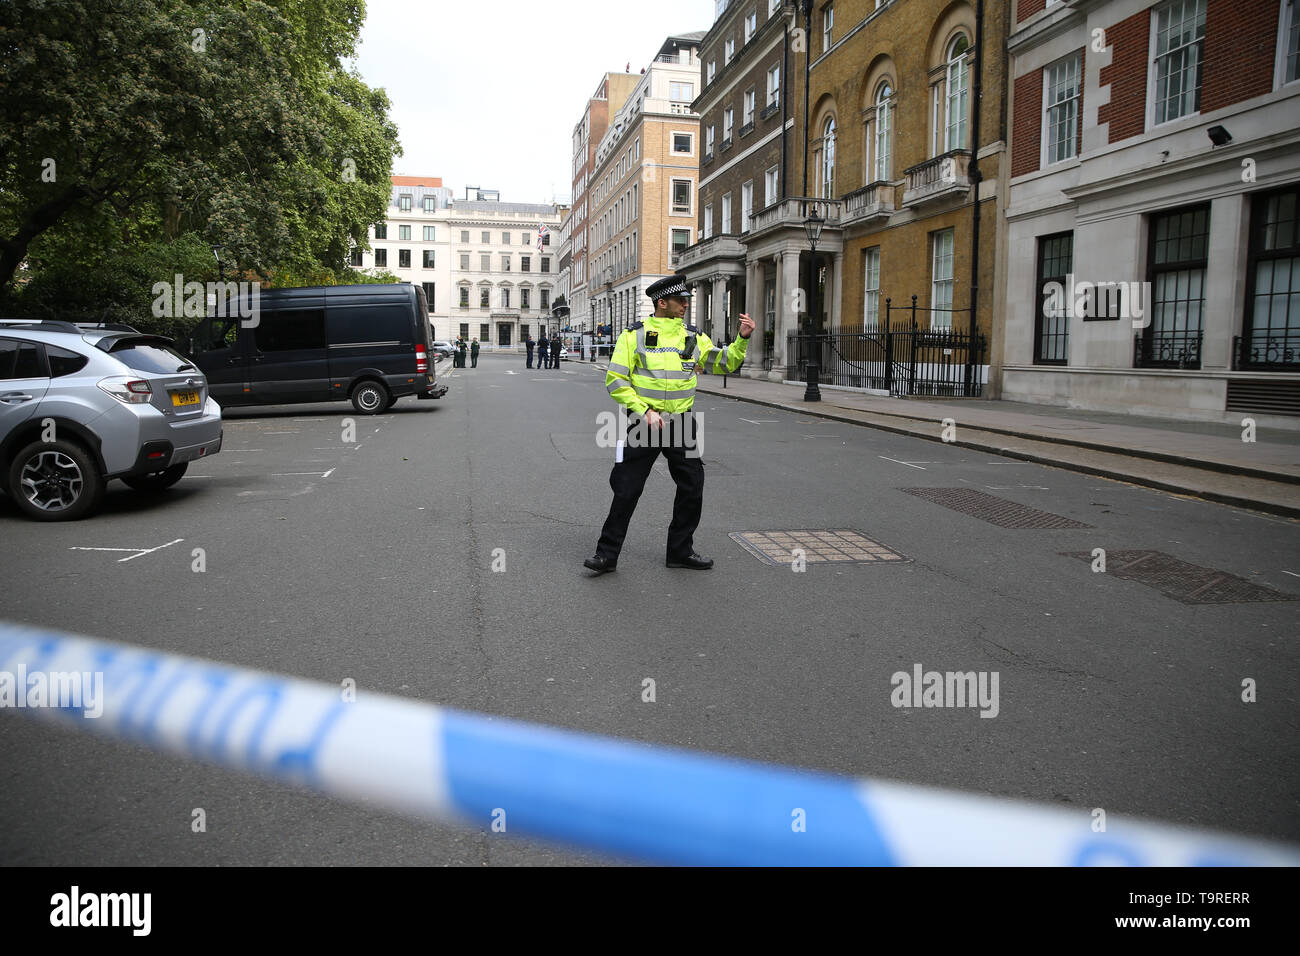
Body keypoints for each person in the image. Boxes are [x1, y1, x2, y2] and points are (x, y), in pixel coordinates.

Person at [584, 273, 753, 574]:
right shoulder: (633, 335)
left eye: (686, 299)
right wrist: (644, 410)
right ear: (662, 302)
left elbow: (725, 362)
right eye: (680, 300)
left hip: (681, 423)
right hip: (643, 423)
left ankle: (680, 551)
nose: (686, 304)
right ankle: (606, 555)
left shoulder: (692, 336)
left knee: (692, 487)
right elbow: (616, 380)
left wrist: (742, 338)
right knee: (627, 489)